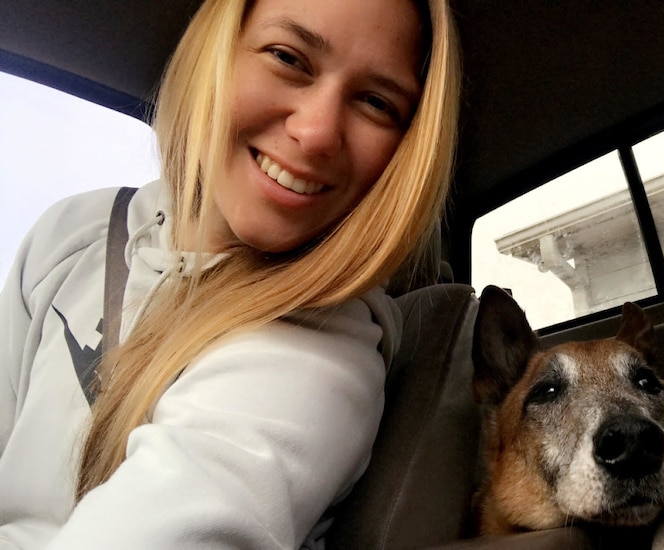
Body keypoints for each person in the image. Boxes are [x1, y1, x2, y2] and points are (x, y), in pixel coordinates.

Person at [0, 0, 461, 547]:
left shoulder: (316, 358)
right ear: (215, 51)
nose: (316, 133)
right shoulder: (75, 233)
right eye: (288, 58)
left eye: (376, 102)